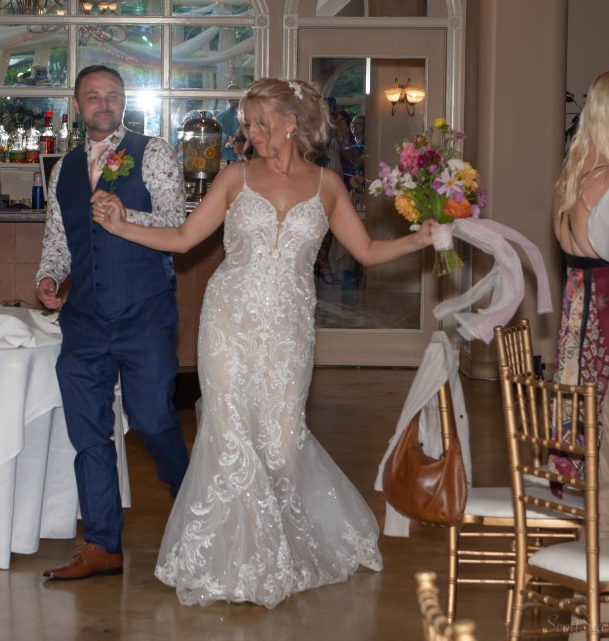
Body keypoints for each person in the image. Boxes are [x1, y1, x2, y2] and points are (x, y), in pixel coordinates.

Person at [92, 78, 433, 608]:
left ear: (291, 123)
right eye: (247, 123)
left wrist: (422, 238)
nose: (249, 132)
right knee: (229, 434)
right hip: (228, 321)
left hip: (289, 327)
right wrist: (121, 226)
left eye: (259, 122)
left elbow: (366, 250)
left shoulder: (327, 186)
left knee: (280, 440)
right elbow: (184, 238)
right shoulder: (235, 176)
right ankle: (236, 560)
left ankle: (283, 544)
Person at [36, 65, 190, 581]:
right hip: (83, 319)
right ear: (76, 106)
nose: (104, 104)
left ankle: (197, 513)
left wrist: (127, 216)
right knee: (88, 434)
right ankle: (102, 545)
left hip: (143, 311)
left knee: (152, 420)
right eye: (93, 97)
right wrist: (49, 276)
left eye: (113, 96)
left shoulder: (154, 152)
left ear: (124, 102)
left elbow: (176, 223)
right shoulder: (63, 168)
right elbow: (59, 239)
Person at [550, 69, 609, 485]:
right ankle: (599, 481)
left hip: (577, 290)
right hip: (604, 297)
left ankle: (572, 464)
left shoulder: (572, 169)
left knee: (574, 373)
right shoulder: (608, 176)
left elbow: (566, 237)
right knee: (601, 388)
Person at [216, 83, 241, 163]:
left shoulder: (246, 116)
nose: (234, 100)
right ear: (228, 99)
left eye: (236, 96)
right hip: (226, 159)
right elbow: (219, 141)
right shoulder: (220, 117)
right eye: (231, 96)